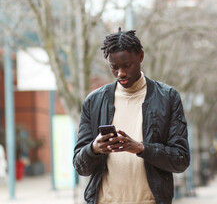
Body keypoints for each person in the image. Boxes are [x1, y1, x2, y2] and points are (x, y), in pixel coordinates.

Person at [73, 27, 190, 204]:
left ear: (140, 56)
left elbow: (180, 159)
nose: (121, 73)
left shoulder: (168, 97)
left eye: (127, 65)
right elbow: (80, 166)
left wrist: (141, 148)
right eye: (114, 67)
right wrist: (94, 148)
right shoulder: (94, 101)